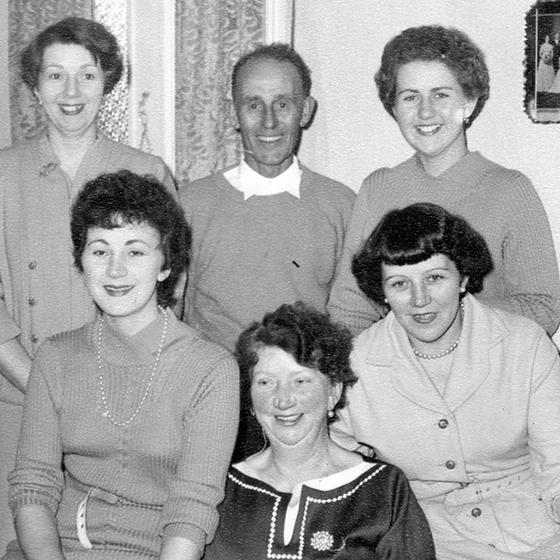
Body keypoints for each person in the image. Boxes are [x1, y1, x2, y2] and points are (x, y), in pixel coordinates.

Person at [0, 16, 176, 550]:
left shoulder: (146, 173)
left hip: (121, 408)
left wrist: (104, 401)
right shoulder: (2, 174)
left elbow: (167, 299)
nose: (71, 92)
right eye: (55, 76)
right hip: (15, 400)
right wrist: (47, 391)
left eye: (87, 76)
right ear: (34, 86)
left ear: (108, 82)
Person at [5, 171, 239, 560]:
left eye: (135, 251)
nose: (115, 270)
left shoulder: (211, 369)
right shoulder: (55, 357)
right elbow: (33, 486)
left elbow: (192, 509)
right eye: (99, 251)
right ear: (80, 262)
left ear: (165, 266)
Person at [331, 202, 560, 560]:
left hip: (536, 529)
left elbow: (557, 465)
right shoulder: (355, 363)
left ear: (463, 278)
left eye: (435, 278)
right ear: (383, 292)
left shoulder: (525, 344)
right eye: (400, 283)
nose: (420, 300)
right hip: (427, 537)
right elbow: (330, 464)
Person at [179, 43, 355, 460]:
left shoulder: (342, 205)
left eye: (283, 103)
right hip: (213, 406)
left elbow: (352, 321)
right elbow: (170, 318)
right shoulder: (189, 205)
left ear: (306, 110)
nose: (270, 121)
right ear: (232, 114)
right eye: (253, 105)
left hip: (303, 409)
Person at [327, 24, 560, 337]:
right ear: (393, 107)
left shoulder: (509, 189)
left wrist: (444, 313)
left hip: (489, 370)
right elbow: (350, 309)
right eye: (410, 97)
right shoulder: (378, 188)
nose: (425, 112)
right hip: (397, 373)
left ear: (469, 103)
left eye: (440, 95)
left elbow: (543, 307)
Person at [203, 301, 436, 560]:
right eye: (266, 382)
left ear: (333, 392)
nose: (283, 399)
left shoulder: (383, 488)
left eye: (300, 381)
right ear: (251, 398)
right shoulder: (221, 487)